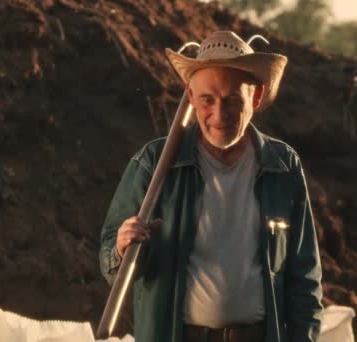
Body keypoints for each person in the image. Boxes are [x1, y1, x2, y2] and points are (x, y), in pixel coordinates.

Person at [100, 31, 323, 342]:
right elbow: (111, 256)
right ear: (191, 97)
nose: (220, 114)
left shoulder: (282, 166)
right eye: (207, 99)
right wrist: (122, 247)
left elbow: (304, 280)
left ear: (255, 98)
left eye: (233, 99)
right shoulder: (154, 163)